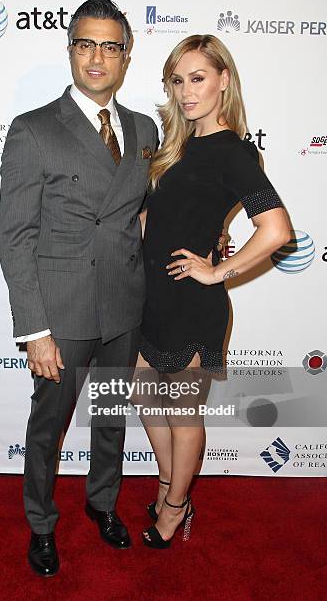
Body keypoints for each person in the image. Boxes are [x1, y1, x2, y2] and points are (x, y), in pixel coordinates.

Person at [0, 0, 158, 576]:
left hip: (123, 307)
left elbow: (140, 218)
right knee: (49, 427)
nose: (97, 57)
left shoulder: (145, 129)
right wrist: (34, 329)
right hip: (60, 315)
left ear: (125, 56)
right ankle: (41, 524)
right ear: (70, 50)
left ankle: (102, 503)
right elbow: (15, 237)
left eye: (109, 46)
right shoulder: (33, 129)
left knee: (111, 417)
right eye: (85, 44)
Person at [137, 34, 291, 549]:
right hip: (150, 296)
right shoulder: (176, 144)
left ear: (224, 79)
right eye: (177, 81)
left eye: (197, 78)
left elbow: (276, 230)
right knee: (144, 397)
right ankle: (167, 483)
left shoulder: (234, 152)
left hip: (191, 303)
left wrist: (216, 272)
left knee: (183, 414)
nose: (185, 92)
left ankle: (176, 507)